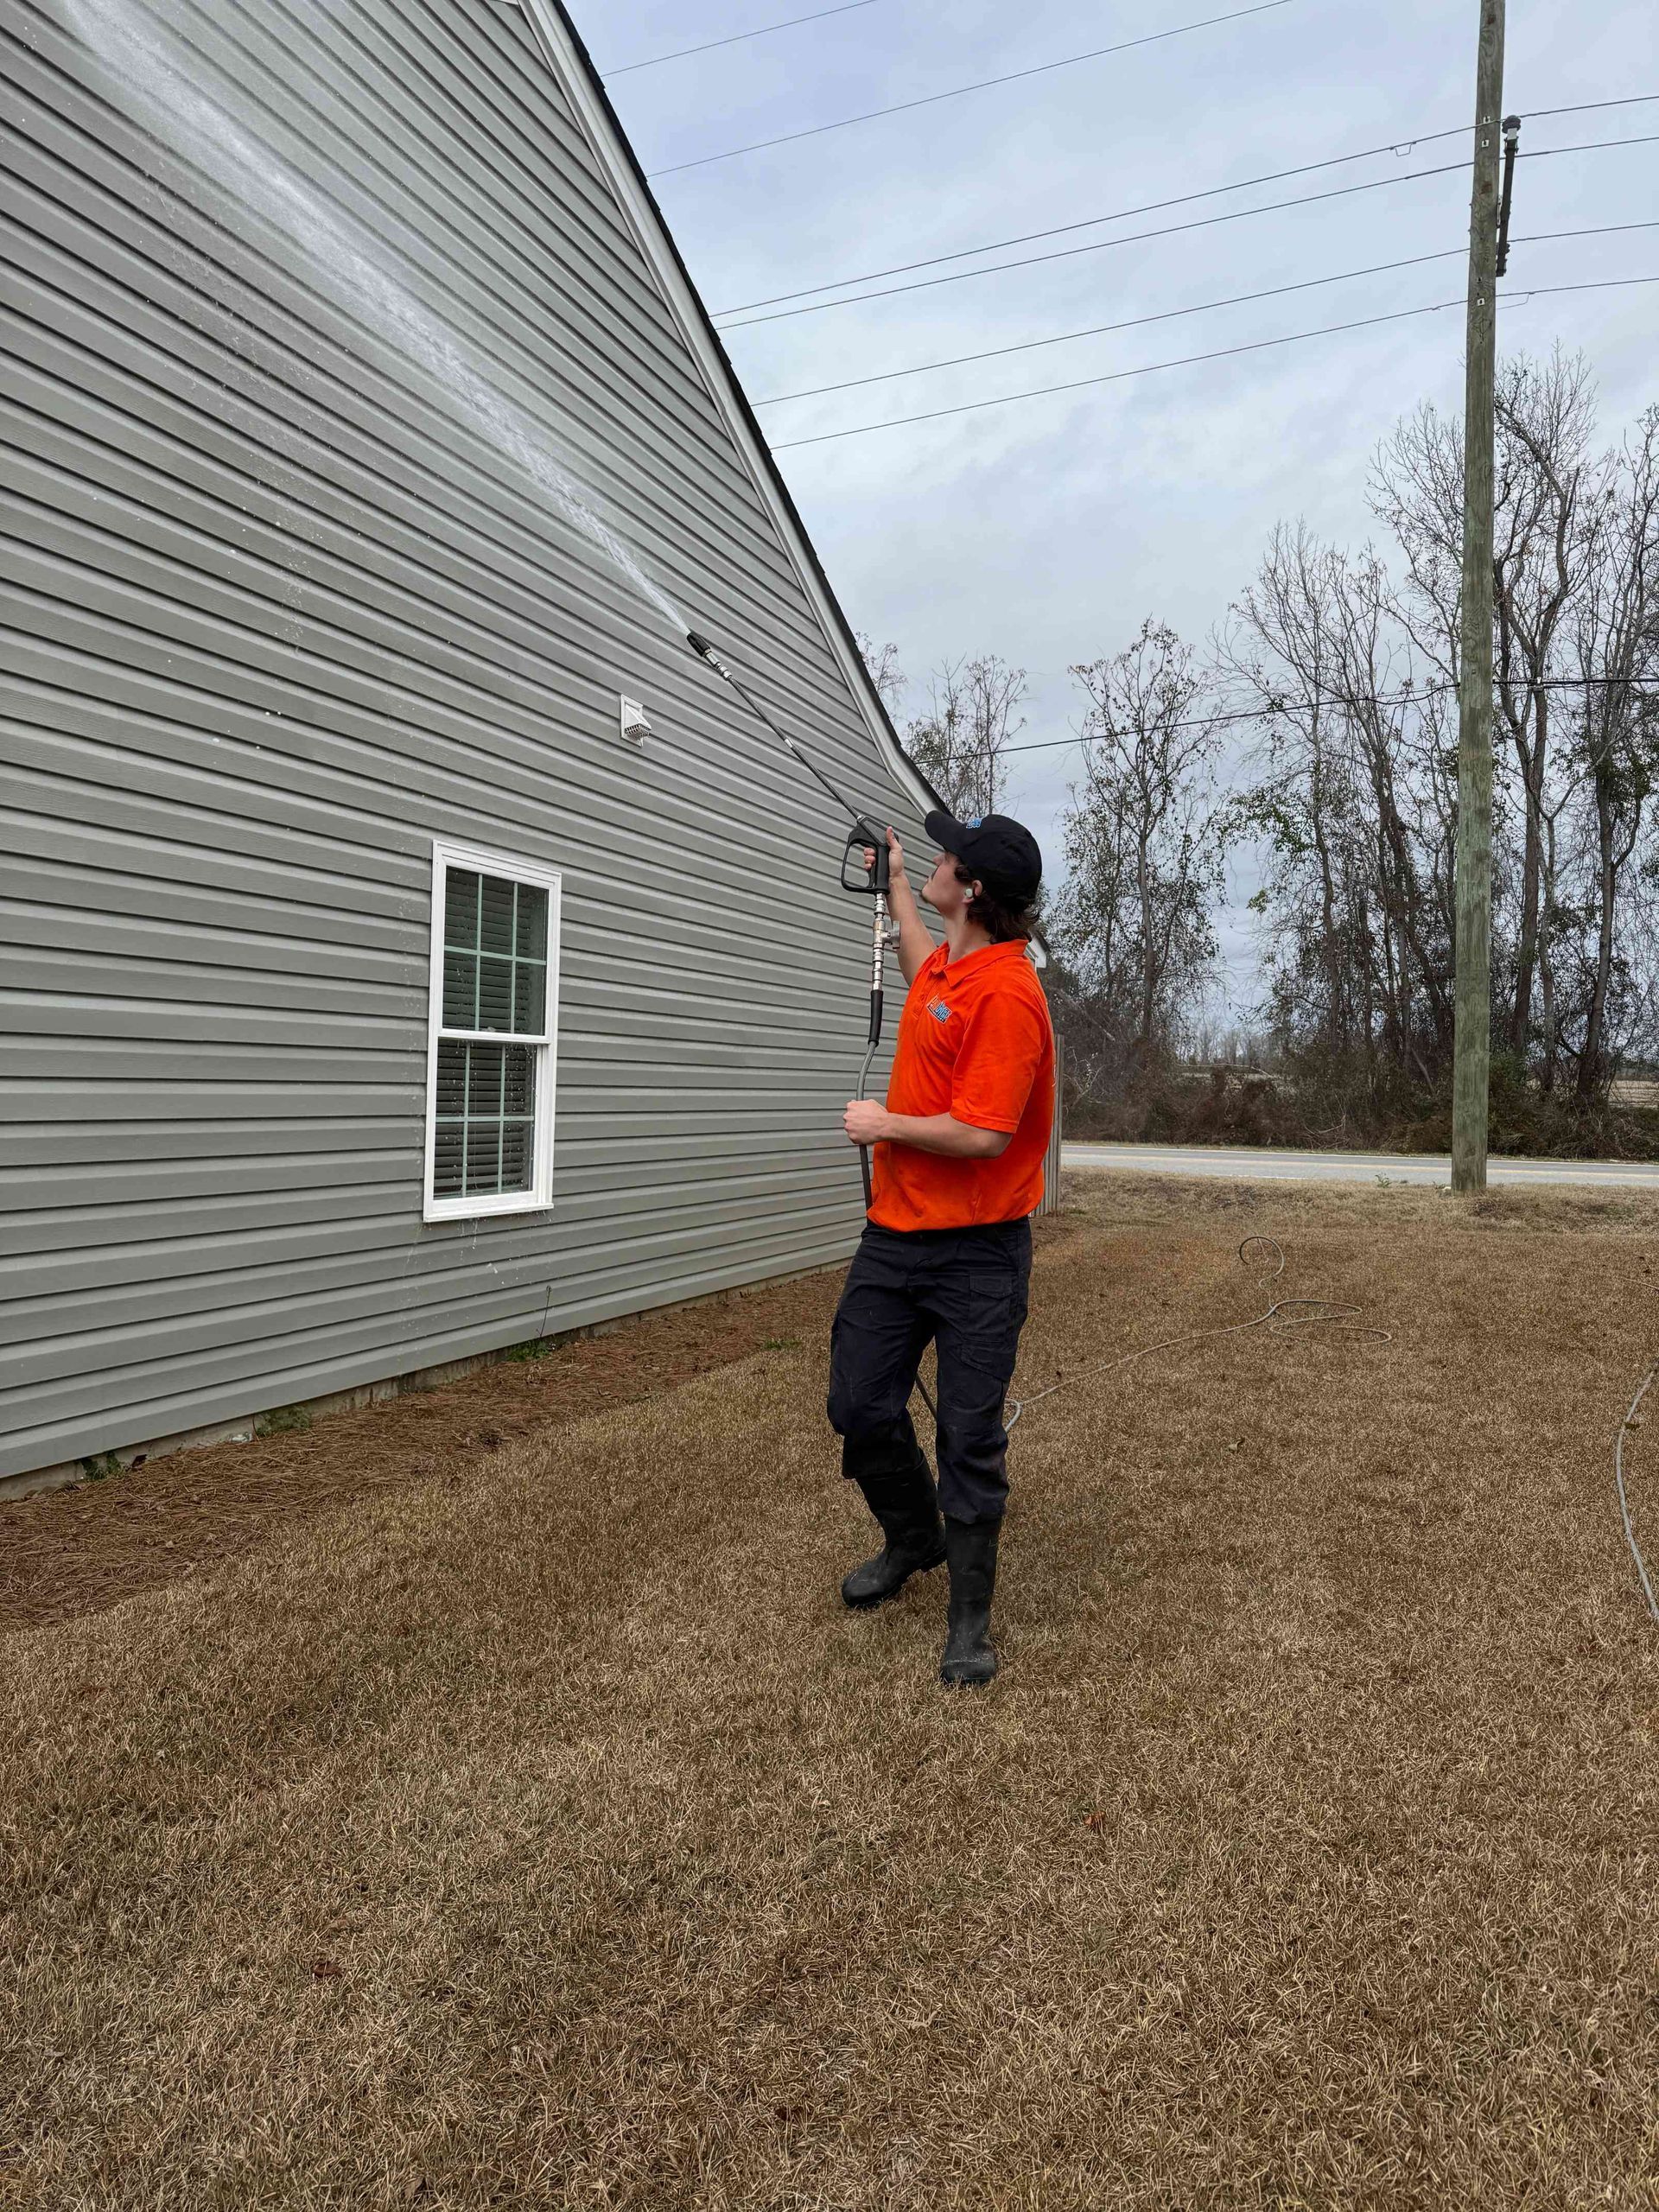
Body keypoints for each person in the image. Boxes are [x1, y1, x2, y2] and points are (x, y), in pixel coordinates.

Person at [830, 809, 1054, 1688]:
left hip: (978, 1256)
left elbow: (985, 1134)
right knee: (858, 1403)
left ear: (975, 890)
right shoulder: (952, 966)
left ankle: (968, 1621)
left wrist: (884, 1123)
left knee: (967, 1433)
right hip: (894, 1237)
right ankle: (913, 1535)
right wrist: (892, 882)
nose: (935, 859)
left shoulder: (1008, 993)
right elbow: (922, 959)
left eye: (944, 856)